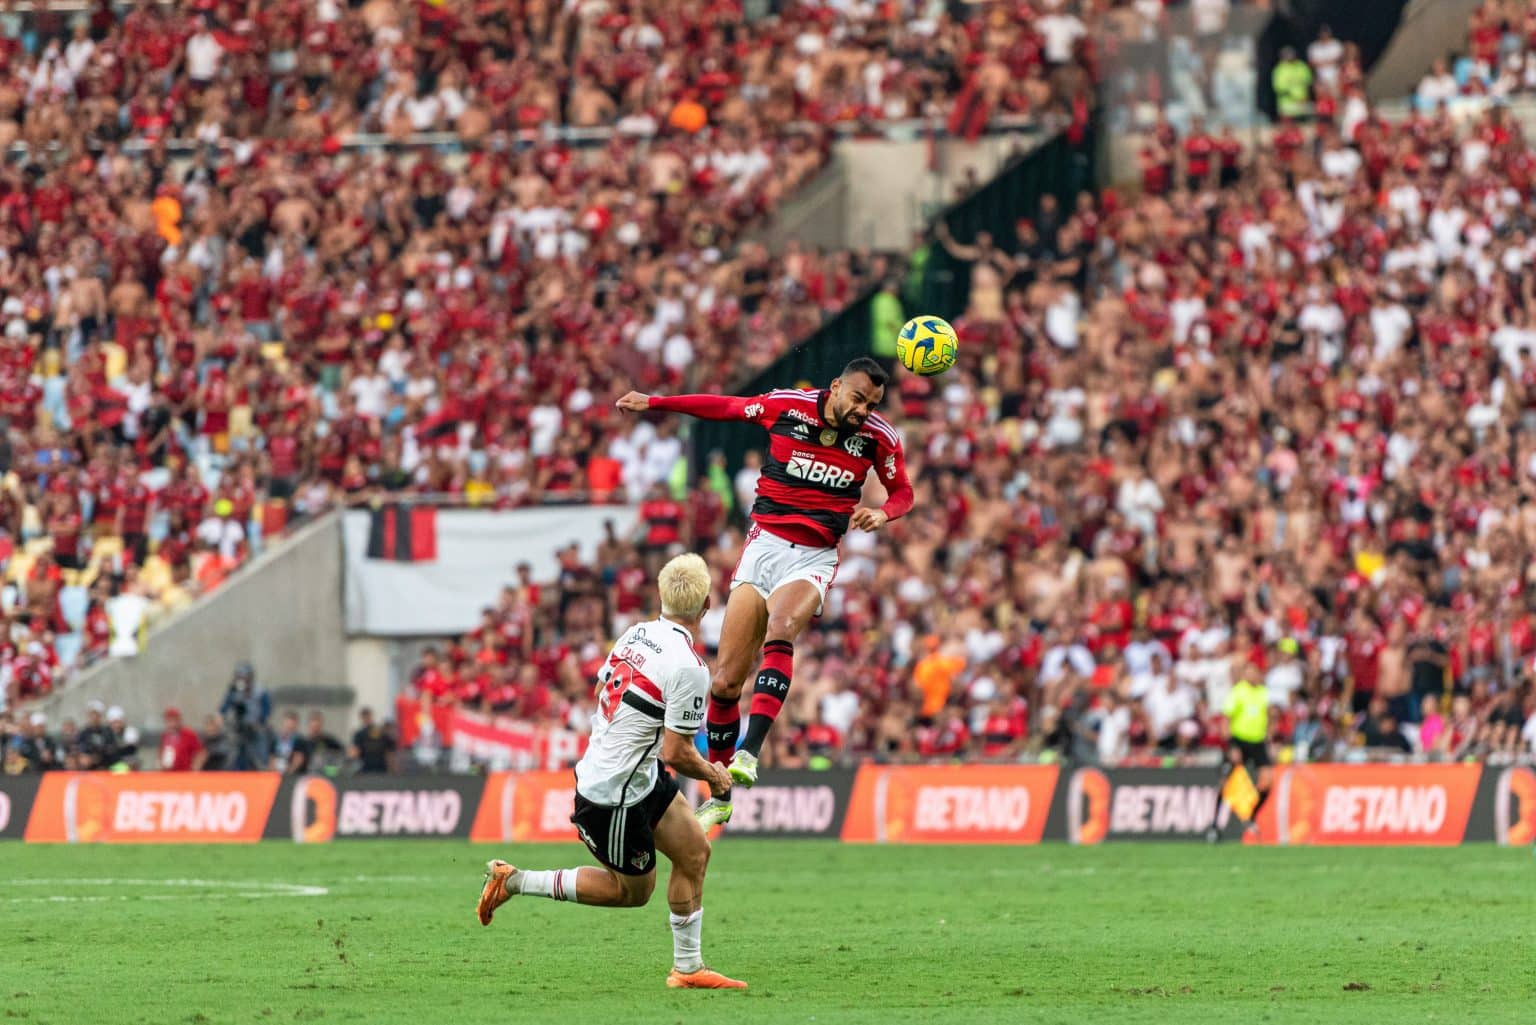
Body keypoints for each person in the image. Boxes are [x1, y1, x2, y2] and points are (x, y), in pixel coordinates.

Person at [615, 357, 914, 826]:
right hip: (764, 545)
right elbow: (725, 407)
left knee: (782, 624)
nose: (863, 410)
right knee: (724, 683)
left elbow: (903, 492)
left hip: (814, 555)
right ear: (836, 385)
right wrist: (656, 402)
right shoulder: (787, 407)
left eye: (872, 404)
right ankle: (720, 793)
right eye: (858, 399)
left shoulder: (879, 437)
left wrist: (883, 513)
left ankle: (749, 752)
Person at [476, 554, 744, 991]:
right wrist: (714, 776)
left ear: (660, 595)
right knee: (633, 893)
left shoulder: (636, 633)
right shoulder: (690, 667)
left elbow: (602, 688)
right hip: (612, 796)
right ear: (707, 605)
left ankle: (688, 969)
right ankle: (516, 881)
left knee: (695, 852)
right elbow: (677, 752)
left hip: (638, 775)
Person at [1209, 668, 1272, 841]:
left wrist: (1269, 736)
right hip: (1239, 741)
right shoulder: (1238, 691)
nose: (1253, 675)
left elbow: (1267, 716)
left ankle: (1251, 817)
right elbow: (1226, 720)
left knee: (1267, 781)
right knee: (1225, 783)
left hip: (1258, 742)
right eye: (1250, 672)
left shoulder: (1263, 692)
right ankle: (1214, 825)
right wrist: (1231, 746)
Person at [349, 706, 397, 773]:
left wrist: (392, 767)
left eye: (367, 717)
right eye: (365, 717)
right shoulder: (360, 734)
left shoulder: (381, 733)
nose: (366, 719)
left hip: (381, 768)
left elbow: (390, 751)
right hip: (366, 768)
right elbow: (355, 751)